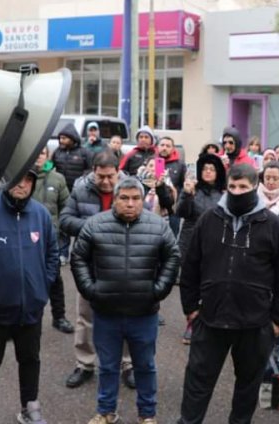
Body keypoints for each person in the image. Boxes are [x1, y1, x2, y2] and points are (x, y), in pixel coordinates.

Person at [177, 164, 279, 424]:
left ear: (256, 187)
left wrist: (278, 321)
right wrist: (191, 308)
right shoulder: (209, 219)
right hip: (210, 319)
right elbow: (190, 266)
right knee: (197, 382)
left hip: (254, 324)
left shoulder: (273, 225)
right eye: (232, 186)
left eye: (243, 187)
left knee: (247, 387)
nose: (237, 191)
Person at [72, 178, 180, 424]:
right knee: (108, 366)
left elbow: (173, 256)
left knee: (145, 366)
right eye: (125, 198)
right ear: (116, 199)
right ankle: (106, 412)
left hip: (144, 313)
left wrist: (159, 290)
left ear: (143, 200)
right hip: (106, 312)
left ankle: (147, 415)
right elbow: (78, 257)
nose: (130, 204)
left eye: (136, 199)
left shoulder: (158, 226)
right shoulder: (95, 224)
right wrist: (90, 290)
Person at [0, 171, 58, 424]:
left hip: (31, 307)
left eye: (28, 180)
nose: (23, 185)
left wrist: (42, 286)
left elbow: (52, 255)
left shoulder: (41, 214)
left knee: (30, 359)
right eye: (18, 179)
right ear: (5, 182)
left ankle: (29, 407)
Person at [60, 152, 133, 389]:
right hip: (90, 265)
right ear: (93, 170)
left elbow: (147, 219)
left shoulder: (131, 187)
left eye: (110, 176)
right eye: (100, 176)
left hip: (124, 265)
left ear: (117, 172)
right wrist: (95, 227)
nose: (105, 182)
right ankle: (85, 364)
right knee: (86, 317)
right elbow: (65, 220)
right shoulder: (81, 189)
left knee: (125, 317)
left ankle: (128, 364)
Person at [175, 154, 227, 343]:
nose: (208, 172)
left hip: (214, 245)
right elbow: (180, 212)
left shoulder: (223, 194)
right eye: (205, 168)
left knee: (210, 284)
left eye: (212, 169)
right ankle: (191, 322)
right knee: (190, 284)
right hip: (190, 242)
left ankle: (209, 321)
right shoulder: (192, 189)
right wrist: (187, 195)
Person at [33, 146, 74, 334]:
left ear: (47, 156)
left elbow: (66, 208)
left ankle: (59, 317)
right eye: (35, 154)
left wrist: (61, 233)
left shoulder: (57, 179)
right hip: (27, 240)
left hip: (51, 240)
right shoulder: (21, 178)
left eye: (41, 153)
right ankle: (27, 319)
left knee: (55, 280)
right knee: (28, 280)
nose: (38, 157)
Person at [157, 135, 186, 236]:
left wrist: (179, 202)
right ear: (158, 147)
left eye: (168, 146)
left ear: (173, 148)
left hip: (173, 209)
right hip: (156, 206)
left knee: (172, 237)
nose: (164, 148)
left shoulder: (180, 164)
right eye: (162, 145)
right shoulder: (154, 162)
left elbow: (183, 185)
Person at [53, 122, 93, 191]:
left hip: (77, 189)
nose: (61, 140)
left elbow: (90, 169)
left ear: (72, 139)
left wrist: (81, 181)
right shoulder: (57, 151)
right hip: (60, 188)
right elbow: (49, 165)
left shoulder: (83, 152)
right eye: (60, 138)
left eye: (64, 138)